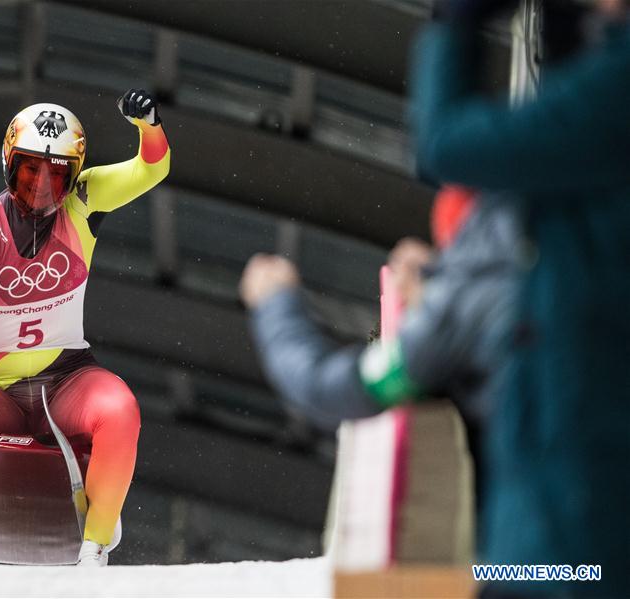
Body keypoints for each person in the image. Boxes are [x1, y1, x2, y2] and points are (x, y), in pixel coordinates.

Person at [411, 1, 630, 596]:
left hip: (572, 511)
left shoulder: (613, 94)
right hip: (562, 512)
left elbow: (444, 145)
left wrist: (456, 22)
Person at [0, 89, 170, 566]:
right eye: (30, 170)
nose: (43, 186)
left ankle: (94, 551)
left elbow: (152, 169)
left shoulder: (85, 200)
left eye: (58, 173)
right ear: (9, 164)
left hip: (66, 380)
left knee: (121, 407)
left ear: (75, 174)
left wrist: (149, 126)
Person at [240, 189, 520, 509]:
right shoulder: (566, 252)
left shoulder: (453, 318)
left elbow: (326, 387)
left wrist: (276, 304)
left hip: (546, 531)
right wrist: (437, 286)